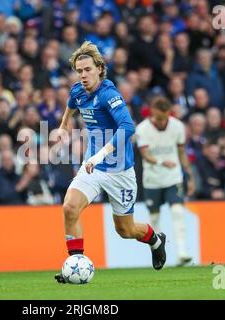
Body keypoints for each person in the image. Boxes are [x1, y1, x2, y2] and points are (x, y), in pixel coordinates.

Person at [54, 41, 166, 284]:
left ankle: (156, 240)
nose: (83, 75)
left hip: (119, 171)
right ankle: (76, 264)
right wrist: (64, 125)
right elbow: (71, 106)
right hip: (92, 166)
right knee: (69, 208)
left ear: (100, 69)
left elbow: (128, 127)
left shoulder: (109, 95)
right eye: (79, 71)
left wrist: (100, 155)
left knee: (125, 230)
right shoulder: (77, 91)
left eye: (87, 70)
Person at [135, 96, 195, 267]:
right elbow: (145, 154)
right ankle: (160, 254)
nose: (162, 121)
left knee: (177, 211)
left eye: (165, 117)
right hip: (152, 180)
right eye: (159, 117)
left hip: (173, 178)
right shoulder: (143, 129)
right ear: (152, 112)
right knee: (154, 219)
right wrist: (162, 162)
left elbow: (182, 152)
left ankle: (183, 252)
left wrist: (189, 175)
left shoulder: (177, 126)